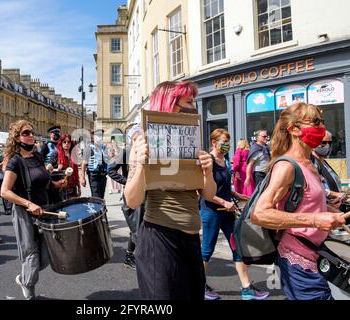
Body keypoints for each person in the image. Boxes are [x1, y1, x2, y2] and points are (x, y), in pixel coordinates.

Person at [124, 81, 217, 300]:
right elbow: (131, 200)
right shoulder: (143, 143)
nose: (194, 107)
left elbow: (209, 195)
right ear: (171, 103)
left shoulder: (191, 141)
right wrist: (140, 164)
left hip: (192, 240)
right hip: (160, 239)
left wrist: (208, 172)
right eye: (189, 101)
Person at [252, 103, 345, 300]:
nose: (321, 128)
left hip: (316, 254)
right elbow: (259, 213)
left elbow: (306, 202)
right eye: (316, 122)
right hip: (298, 261)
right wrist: (314, 220)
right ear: (294, 129)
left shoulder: (310, 162)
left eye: (322, 122)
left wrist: (329, 211)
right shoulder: (286, 166)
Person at [1, 120, 67, 300]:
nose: (31, 135)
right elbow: (4, 192)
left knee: (46, 254)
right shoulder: (15, 161)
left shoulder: (37, 157)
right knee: (31, 253)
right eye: (26, 133)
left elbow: (44, 182)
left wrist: (56, 184)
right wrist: (28, 204)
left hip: (44, 210)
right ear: (16, 137)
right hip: (24, 213)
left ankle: (24, 278)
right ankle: (29, 292)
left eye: (32, 132)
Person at [200, 129, 269, 300]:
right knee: (207, 250)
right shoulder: (207, 161)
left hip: (227, 212)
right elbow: (202, 191)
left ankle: (246, 288)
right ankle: (198, 285)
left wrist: (238, 196)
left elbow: (224, 187)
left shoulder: (224, 161)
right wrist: (224, 202)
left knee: (237, 247)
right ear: (214, 142)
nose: (227, 145)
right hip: (211, 212)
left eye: (228, 141)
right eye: (224, 141)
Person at [107, 126, 144, 270]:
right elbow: (110, 170)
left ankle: (133, 255)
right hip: (133, 193)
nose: (139, 138)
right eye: (136, 136)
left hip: (147, 193)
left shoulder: (148, 151)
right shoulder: (126, 152)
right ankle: (130, 257)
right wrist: (127, 181)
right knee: (136, 226)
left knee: (141, 226)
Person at [312, 131, 349, 209]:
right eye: (323, 142)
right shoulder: (312, 162)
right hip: (326, 209)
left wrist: (343, 195)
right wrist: (336, 194)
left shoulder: (323, 162)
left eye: (330, 143)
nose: (327, 146)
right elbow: (314, 189)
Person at [80, 129, 108, 199]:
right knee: (96, 197)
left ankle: (101, 209)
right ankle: (96, 209)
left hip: (103, 175)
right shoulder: (89, 148)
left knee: (101, 197)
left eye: (101, 135)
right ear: (93, 137)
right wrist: (82, 177)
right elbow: (83, 163)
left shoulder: (103, 148)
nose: (100, 137)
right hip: (94, 176)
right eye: (98, 135)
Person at [56, 134, 81, 200]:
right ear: (61, 143)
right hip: (61, 186)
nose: (67, 144)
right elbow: (49, 170)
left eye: (69, 142)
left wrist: (79, 186)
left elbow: (76, 172)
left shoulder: (73, 155)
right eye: (64, 142)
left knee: (73, 206)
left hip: (72, 185)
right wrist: (58, 169)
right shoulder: (56, 154)